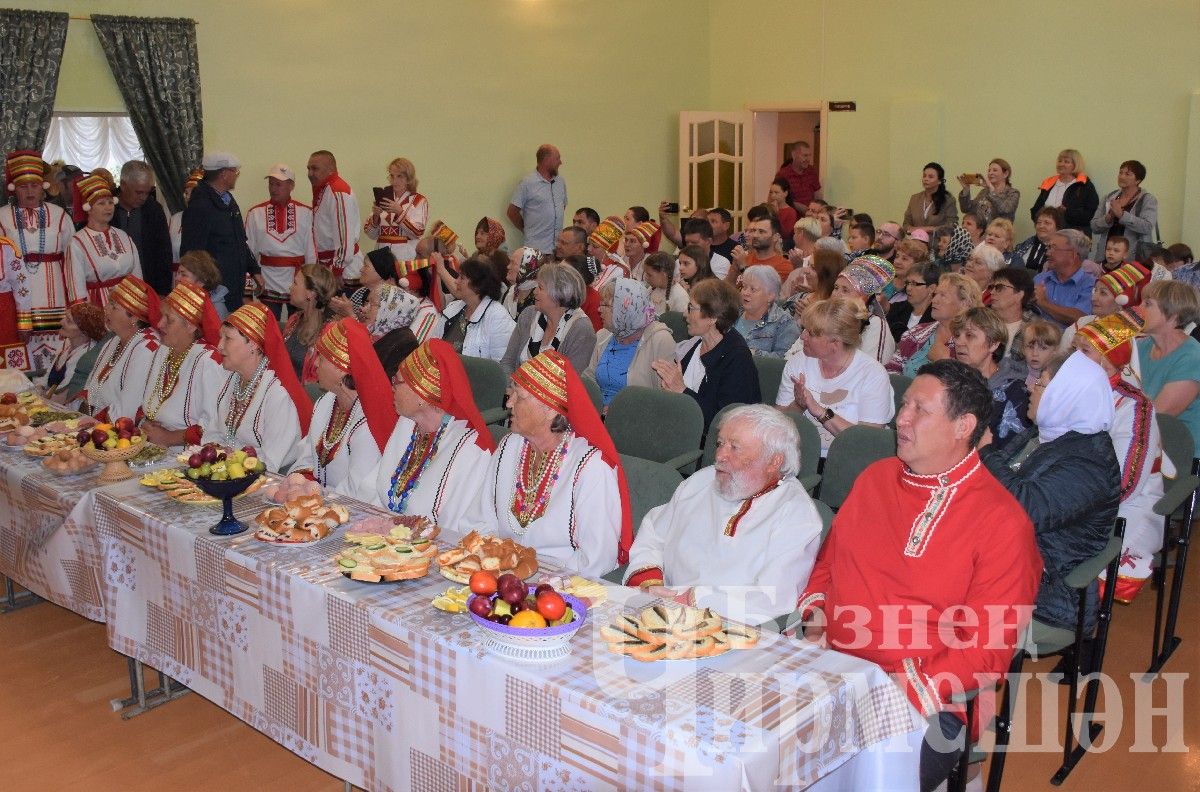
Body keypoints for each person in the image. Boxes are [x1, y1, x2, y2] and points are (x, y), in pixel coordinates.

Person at [798, 359, 1041, 791]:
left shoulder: (1003, 523)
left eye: (919, 410)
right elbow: (828, 566)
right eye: (904, 404)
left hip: (928, 695)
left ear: (962, 425)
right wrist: (816, 622)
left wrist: (896, 690)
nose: (901, 418)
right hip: (833, 665)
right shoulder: (875, 478)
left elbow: (987, 650)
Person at [624, 404, 823, 623]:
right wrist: (650, 582)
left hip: (733, 626)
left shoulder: (797, 515)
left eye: (734, 447)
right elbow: (654, 532)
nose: (720, 455)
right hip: (662, 608)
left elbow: (773, 597)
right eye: (720, 443)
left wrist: (695, 599)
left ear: (774, 461)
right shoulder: (702, 481)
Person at [980, 352, 1120, 636]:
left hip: (1049, 593)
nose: (1030, 387)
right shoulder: (1045, 435)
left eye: (1040, 383)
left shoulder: (1089, 463)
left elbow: (1025, 509)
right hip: (1009, 563)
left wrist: (985, 452)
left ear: (1065, 395)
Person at [461, 350, 629, 577]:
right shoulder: (509, 447)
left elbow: (597, 561)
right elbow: (479, 520)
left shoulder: (591, 468)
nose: (509, 403)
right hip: (501, 575)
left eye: (519, 397)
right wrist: (497, 562)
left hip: (560, 589)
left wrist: (537, 580)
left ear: (550, 409)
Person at [1073, 310, 1164, 603]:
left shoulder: (1135, 407)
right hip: (1075, 493)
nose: (1074, 357)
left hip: (1127, 504)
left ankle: (1081, 631)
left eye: (1084, 350)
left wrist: (1070, 505)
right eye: (1073, 349)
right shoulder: (1070, 393)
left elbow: (1126, 483)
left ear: (1111, 359)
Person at [374, 338, 495, 524]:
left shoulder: (470, 450)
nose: (392, 388)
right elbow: (380, 491)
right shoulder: (406, 425)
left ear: (422, 393)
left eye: (397, 382)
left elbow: (458, 529)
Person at [292, 318, 397, 501]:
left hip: (350, 511)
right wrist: (299, 484)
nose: (315, 364)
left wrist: (315, 498)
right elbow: (306, 456)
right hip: (319, 502)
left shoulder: (366, 421)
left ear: (341, 369)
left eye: (321, 358)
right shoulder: (325, 402)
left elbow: (357, 490)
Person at [777, 297, 894, 456]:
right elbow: (777, 422)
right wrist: (799, 404)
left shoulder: (872, 375)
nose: (803, 336)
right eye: (804, 329)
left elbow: (867, 443)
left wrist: (820, 412)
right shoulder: (798, 362)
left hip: (846, 462)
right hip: (800, 455)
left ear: (835, 343)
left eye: (811, 333)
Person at [210, 302, 312, 473]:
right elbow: (213, 431)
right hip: (227, 473)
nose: (219, 345)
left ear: (253, 344)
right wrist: (216, 452)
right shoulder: (229, 380)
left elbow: (270, 461)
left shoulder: (277, 393)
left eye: (227, 338)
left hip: (264, 482)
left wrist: (229, 459)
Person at [0, 150, 78, 371]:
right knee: (20, 357)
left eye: (34, 185)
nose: (30, 191)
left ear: (43, 187)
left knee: (56, 355)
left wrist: (73, 298)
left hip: (55, 294)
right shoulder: (2, 216)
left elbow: (72, 259)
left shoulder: (60, 215)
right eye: (24, 186)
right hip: (16, 299)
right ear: (14, 189)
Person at [652, 278, 760, 431]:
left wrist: (681, 390)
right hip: (680, 431)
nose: (684, 314)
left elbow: (724, 422)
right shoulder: (697, 344)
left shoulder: (737, 358)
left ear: (713, 317)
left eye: (691, 308)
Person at [136, 281, 228, 448]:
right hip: (154, 445)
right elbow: (148, 403)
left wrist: (169, 438)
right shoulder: (164, 349)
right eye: (161, 316)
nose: (159, 324)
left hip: (188, 454)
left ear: (191, 325)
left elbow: (215, 426)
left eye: (169, 320)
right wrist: (146, 423)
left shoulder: (208, 360)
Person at [180, 152, 258, 314]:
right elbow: (192, 254)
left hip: (233, 288)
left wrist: (254, 269)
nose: (236, 176)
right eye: (235, 172)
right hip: (214, 293)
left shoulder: (228, 201)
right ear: (224, 174)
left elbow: (240, 241)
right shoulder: (200, 206)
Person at [584, 278, 676, 407]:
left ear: (625, 308)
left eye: (605, 305)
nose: (599, 309)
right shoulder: (604, 335)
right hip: (597, 415)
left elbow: (665, 397)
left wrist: (621, 411)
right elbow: (589, 380)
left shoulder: (660, 340)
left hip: (635, 420)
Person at [79, 276, 161, 420]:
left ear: (134, 317)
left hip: (122, 433)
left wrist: (89, 425)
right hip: (97, 424)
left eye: (113, 306)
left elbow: (128, 407)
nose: (106, 309)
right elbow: (90, 388)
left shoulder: (148, 348)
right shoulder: (114, 340)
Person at [952, 306, 1030, 451]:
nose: (959, 342)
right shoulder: (951, 382)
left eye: (969, 335)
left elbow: (1005, 453)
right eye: (957, 335)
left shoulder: (1015, 393)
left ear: (993, 344)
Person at [244, 163, 316, 318]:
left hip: (298, 280)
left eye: (278, 184)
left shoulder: (306, 213)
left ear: (291, 186)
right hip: (267, 280)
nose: (273, 188)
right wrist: (248, 288)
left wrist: (311, 283)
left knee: (299, 328)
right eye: (271, 184)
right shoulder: (255, 213)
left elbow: (311, 250)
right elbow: (247, 252)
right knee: (267, 327)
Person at [1134, 281, 1200, 449]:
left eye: (1147, 304)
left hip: (1187, 460)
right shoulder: (1140, 347)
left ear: (1173, 315)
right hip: (1149, 449)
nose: (1138, 308)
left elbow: (1155, 417)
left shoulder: (1192, 358)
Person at [500, 261, 595, 377]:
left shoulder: (581, 329)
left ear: (559, 293)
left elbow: (572, 382)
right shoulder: (529, 315)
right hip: (516, 391)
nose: (534, 292)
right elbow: (507, 362)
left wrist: (526, 394)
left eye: (540, 287)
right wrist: (511, 390)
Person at [67, 173, 142, 309]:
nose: (108, 207)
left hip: (127, 306)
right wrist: (83, 315)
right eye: (101, 203)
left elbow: (137, 276)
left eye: (110, 202)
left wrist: (139, 303)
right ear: (88, 208)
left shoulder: (123, 236)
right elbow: (75, 286)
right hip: (98, 306)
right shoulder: (77, 242)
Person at [887, 272, 982, 376]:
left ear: (965, 303)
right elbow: (891, 371)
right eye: (935, 294)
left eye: (943, 295)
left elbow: (970, 386)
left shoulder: (973, 342)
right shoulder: (917, 332)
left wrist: (944, 361)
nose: (934, 300)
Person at [1059, 260, 1151, 351]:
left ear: (1120, 302)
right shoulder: (1082, 323)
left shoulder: (1134, 339)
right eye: (1095, 291)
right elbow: (1061, 356)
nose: (1093, 298)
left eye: (1103, 293)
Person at [110, 161, 172, 296]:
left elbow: (163, 254)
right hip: (112, 288)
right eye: (138, 192)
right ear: (123, 184)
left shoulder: (154, 210)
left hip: (148, 288)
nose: (143, 197)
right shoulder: (107, 208)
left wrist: (162, 292)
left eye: (147, 192)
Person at [438, 255, 515, 360]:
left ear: (478, 284)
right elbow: (432, 344)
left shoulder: (498, 317)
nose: (456, 281)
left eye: (462, 277)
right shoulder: (453, 308)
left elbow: (501, 367)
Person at [826, 254, 896, 363]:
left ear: (863, 298)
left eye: (845, 290)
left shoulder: (874, 325)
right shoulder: (824, 316)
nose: (837, 295)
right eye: (836, 288)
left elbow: (871, 371)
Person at [307, 149, 362, 284]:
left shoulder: (338, 191)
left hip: (344, 273)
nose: (310, 174)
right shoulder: (324, 189)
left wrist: (337, 270)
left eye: (315, 169)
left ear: (330, 169)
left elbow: (344, 236)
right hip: (330, 268)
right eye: (308, 169)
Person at [38, 301, 104, 407]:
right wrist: (40, 387)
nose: (61, 322)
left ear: (84, 332)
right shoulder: (66, 343)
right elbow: (47, 377)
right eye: (65, 318)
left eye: (68, 321)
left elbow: (64, 394)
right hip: (50, 401)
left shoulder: (85, 356)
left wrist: (40, 399)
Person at [1090, 160, 1157, 263]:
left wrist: (1122, 215)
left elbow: (1147, 227)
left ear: (1138, 180)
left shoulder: (1147, 199)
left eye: (1127, 174)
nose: (1122, 176)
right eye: (1120, 173)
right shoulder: (1109, 197)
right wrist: (1108, 218)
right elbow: (1094, 227)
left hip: (1132, 258)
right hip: (1107, 256)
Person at [365, 157, 427, 263]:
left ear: (409, 178)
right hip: (381, 257)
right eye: (392, 176)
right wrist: (375, 217)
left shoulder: (419, 200)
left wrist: (399, 212)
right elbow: (371, 234)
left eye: (400, 176)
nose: (394, 181)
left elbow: (418, 232)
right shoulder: (384, 197)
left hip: (406, 257)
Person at [283, 263, 337, 383]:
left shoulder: (329, 332)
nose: (290, 287)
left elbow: (320, 383)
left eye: (295, 283)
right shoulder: (295, 319)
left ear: (310, 293)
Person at [507, 144, 566, 253]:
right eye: (557, 158)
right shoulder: (527, 183)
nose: (560, 162)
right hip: (535, 250)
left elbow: (562, 206)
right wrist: (526, 229)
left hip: (558, 250)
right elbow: (512, 212)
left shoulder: (560, 182)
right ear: (546, 160)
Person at [1034, 229, 1096, 327]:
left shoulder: (1090, 285)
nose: (1048, 253)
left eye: (1053, 248)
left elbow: (1081, 318)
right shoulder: (1041, 278)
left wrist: (1044, 303)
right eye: (1048, 248)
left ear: (1074, 254)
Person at [1028, 148, 1099, 235]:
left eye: (1066, 162)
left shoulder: (1084, 185)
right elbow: (1035, 210)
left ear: (1075, 165)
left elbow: (1091, 213)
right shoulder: (1049, 183)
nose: (1061, 164)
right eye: (1060, 161)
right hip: (1047, 235)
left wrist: (1066, 212)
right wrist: (1045, 213)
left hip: (1074, 236)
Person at [733, 264, 798, 358]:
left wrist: (752, 353)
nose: (745, 293)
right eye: (744, 287)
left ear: (770, 295)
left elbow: (785, 359)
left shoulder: (784, 323)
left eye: (753, 289)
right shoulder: (732, 314)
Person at [986, 266, 1036, 358]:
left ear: (1019, 295)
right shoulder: (981, 318)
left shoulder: (1036, 328)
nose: (992, 292)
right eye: (991, 287)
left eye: (999, 287)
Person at [727, 210, 790, 282]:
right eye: (754, 231)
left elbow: (763, 290)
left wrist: (743, 266)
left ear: (775, 237)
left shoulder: (784, 266)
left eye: (761, 231)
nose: (755, 235)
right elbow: (727, 289)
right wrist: (734, 268)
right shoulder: (744, 258)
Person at [887, 260, 940, 342]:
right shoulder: (896, 309)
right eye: (908, 283)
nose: (908, 288)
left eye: (914, 284)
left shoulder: (937, 319)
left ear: (931, 288)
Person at [956, 158, 1020, 224]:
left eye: (994, 170)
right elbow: (966, 209)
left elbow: (1005, 210)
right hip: (980, 232)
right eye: (989, 171)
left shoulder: (1013, 193)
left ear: (1005, 174)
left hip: (998, 232)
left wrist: (991, 190)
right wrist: (966, 189)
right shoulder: (984, 191)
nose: (990, 173)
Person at [902, 162, 958, 235]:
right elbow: (906, 224)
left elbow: (951, 226)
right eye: (924, 176)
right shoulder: (914, 198)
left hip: (938, 244)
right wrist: (910, 229)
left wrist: (927, 229)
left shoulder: (948, 200)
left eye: (930, 177)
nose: (926, 179)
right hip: (915, 244)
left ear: (939, 181)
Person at [176, 250, 231, 321]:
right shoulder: (182, 300)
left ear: (202, 281)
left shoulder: (216, 310)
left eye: (184, 275)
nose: (177, 278)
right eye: (178, 273)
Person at [168, 167, 203, 272]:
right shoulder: (174, 219)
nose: (186, 197)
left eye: (191, 193)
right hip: (177, 276)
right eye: (186, 193)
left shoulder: (211, 219)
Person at [1014, 206, 1064, 273]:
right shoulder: (1026, 244)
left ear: (1057, 227)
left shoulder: (1061, 251)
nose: (1041, 226)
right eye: (1039, 222)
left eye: (1047, 223)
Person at [774, 141, 822, 209]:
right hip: (791, 216)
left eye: (809, 155)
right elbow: (776, 198)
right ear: (794, 155)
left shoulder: (812, 171)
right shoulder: (783, 174)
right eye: (805, 155)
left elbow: (817, 194)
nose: (808, 159)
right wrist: (796, 205)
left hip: (810, 216)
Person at [641, 251, 687, 316]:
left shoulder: (680, 296)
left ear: (663, 274)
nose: (646, 277)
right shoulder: (653, 288)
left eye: (649, 275)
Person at [1021, 319, 1062, 389]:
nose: (1035, 353)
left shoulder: (1057, 379)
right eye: (1030, 347)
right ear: (1023, 349)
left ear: (1055, 350)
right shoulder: (1010, 369)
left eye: (1043, 348)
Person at [766, 178, 798, 250]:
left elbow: (785, 234)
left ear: (785, 193)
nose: (773, 195)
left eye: (776, 192)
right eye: (771, 192)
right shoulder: (767, 208)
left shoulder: (791, 211)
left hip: (782, 242)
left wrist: (776, 214)